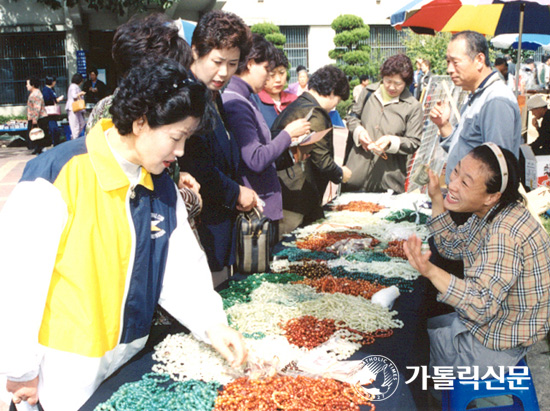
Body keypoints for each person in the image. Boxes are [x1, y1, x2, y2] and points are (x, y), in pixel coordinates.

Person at [0, 58, 247, 411]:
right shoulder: (58, 175)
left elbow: (180, 267)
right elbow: (15, 282)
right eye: (176, 138)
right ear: (141, 121)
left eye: (186, 140)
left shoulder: (160, 185)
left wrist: (213, 324)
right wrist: (20, 368)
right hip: (62, 369)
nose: (179, 153)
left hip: (125, 359)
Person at [404, 143, 550, 376]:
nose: (451, 184)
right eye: (456, 171)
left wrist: (430, 271)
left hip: (498, 343)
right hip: (493, 325)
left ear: (491, 196)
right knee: (422, 325)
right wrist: (436, 197)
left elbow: (481, 306)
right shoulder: (491, 212)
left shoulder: (504, 234)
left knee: (413, 353)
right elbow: (451, 245)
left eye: (465, 182)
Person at [178, 10, 261, 282]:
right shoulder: (185, 97)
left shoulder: (213, 95)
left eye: (233, 64)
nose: (224, 72)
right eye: (216, 61)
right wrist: (236, 192)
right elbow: (196, 165)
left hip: (220, 224)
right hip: (200, 224)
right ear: (195, 52)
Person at [222, 34, 310, 238]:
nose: (269, 78)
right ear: (251, 64)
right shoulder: (237, 102)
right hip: (257, 210)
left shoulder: (244, 97)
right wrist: (288, 134)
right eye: (267, 70)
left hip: (261, 205)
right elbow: (255, 158)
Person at [429, 30, 521, 185]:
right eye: (447, 62)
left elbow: (496, 168)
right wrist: (444, 125)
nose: (449, 69)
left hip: (477, 206)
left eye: (455, 62)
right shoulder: (476, 96)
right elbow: (465, 149)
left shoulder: (495, 101)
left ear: (479, 60)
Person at [271, 65, 352, 235]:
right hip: (297, 200)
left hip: (284, 192)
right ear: (331, 92)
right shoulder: (315, 113)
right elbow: (321, 159)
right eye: (337, 99)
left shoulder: (299, 104)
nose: (335, 105)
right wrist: (340, 174)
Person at [343, 54, 423, 193]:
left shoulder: (413, 106)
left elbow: (414, 142)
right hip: (355, 174)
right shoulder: (368, 93)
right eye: (387, 81)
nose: (391, 87)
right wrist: (359, 132)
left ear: (406, 83)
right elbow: (352, 117)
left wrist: (391, 141)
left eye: (398, 83)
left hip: (388, 181)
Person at [254, 48, 297, 128]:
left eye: (282, 73)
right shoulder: (255, 101)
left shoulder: (294, 100)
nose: (278, 80)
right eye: (272, 74)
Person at [25, 76, 50, 155]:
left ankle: (41, 150)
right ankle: (38, 149)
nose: (26, 86)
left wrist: (34, 119)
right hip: (37, 118)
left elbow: (37, 107)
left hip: (39, 118)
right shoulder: (35, 93)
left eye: (28, 84)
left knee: (38, 136)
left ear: (32, 85)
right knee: (37, 136)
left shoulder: (35, 94)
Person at [42, 75, 64, 146]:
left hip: (52, 113)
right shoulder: (46, 90)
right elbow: (48, 100)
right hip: (49, 112)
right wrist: (57, 100)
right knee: (53, 128)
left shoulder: (51, 89)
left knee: (54, 127)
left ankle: (55, 141)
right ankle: (54, 142)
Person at [65, 73, 86, 139]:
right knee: (75, 126)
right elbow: (74, 95)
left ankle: (74, 137)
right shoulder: (73, 86)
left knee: (82, 123)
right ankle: (74, 139)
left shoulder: (74, 86)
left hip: (77, 109)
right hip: (72, 108)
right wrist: (81, 93)